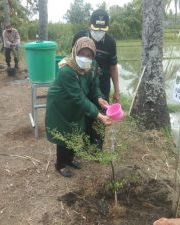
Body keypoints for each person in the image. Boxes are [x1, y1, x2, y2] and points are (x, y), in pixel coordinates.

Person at [45, 37, 113, 178]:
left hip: (75, 103)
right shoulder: (67, 71)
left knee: (75, 130)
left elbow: (95, 86)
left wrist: (100, 99)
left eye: (89, 55)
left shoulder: (92, 66)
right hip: (61, 104)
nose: (85, 58)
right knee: (63, 134)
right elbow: (79, 97)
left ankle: (69, 160)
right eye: (82, 54)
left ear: (93, 56)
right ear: (75, 51)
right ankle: (60, 165)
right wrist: (99, 116)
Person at [72, 9, 120, 150]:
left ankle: (97, 148)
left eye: (102, 29)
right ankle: (86, 145)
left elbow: (113, 67)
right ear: (90, 25)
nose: (98, 32)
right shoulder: (79, 37)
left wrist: (117, 91)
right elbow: (72, 59)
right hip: (83, 83)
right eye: (95, 29)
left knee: (101, 116)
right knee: (85, 113)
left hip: (102, 85)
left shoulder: (110, 42)